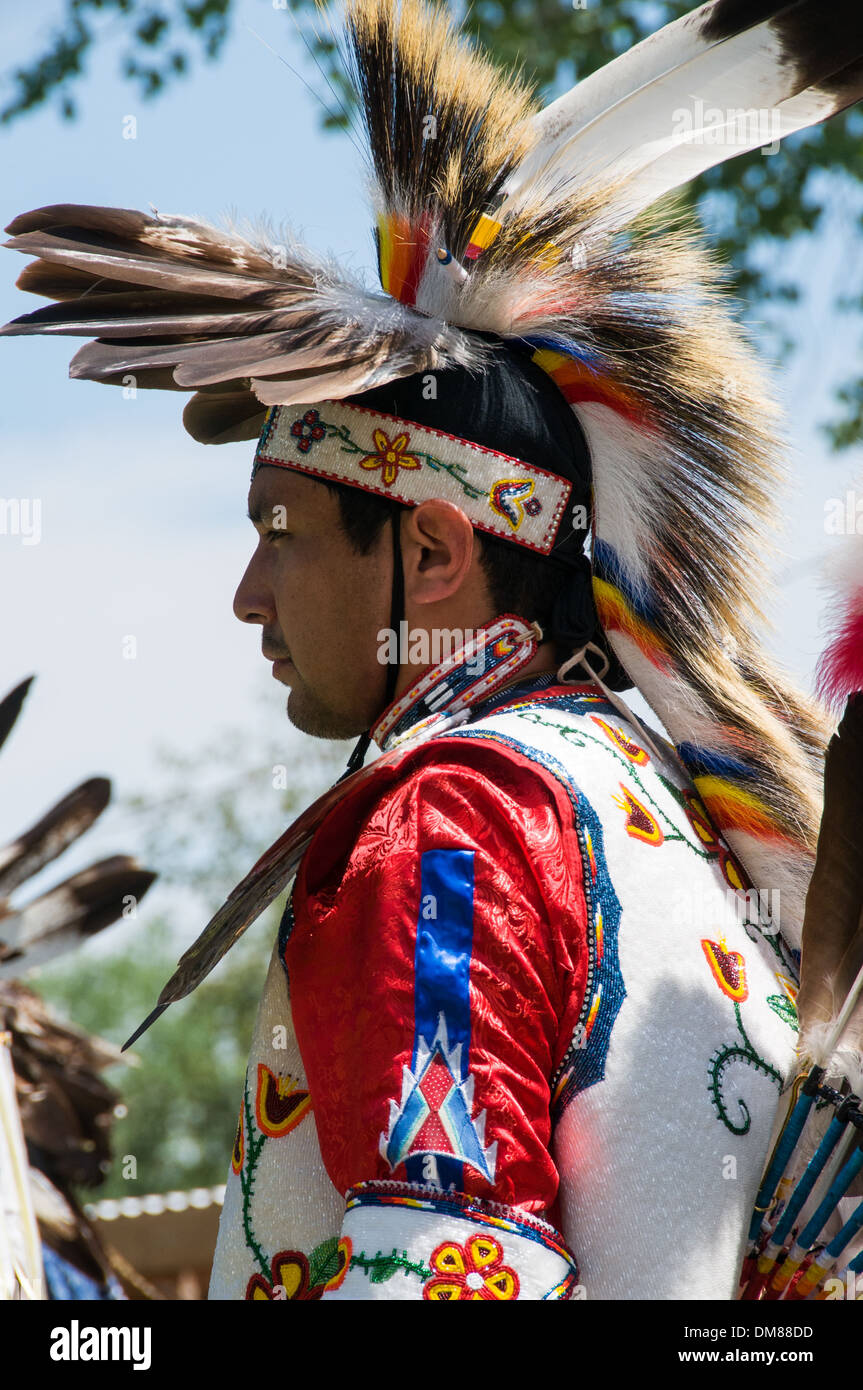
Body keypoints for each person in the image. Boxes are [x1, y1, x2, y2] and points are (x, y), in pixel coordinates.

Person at [3, 0, 860, 1300]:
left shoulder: (459, 826)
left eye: (280, 533)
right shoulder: (661, 809)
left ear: (438, 553)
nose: (245, 595)